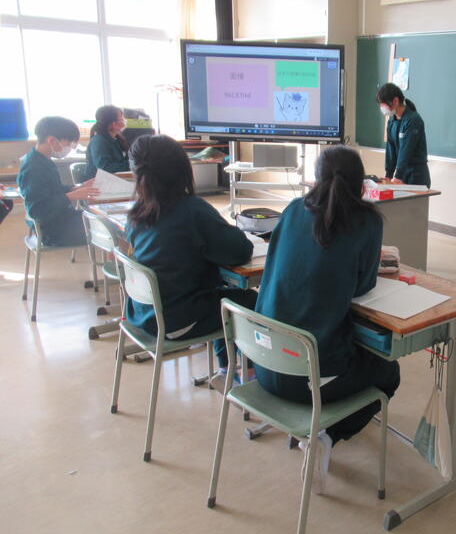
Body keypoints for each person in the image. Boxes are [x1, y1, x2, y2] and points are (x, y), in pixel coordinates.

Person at [253, 145, 400, 492]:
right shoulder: (367, 221)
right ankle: (328, 433)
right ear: (361, 185)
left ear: (315, 179)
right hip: (310, 380)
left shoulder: (292, 210)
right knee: (388, 372)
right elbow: (363, 285)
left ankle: (322, 425)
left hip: (264, 364)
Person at [124, 135, 256, 385]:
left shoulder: (136, 213)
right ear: (183, 170)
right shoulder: (192, 210)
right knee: (249, 301)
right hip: (177, 321)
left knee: (222, 295)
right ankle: (247, 376)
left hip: (143, 315)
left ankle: (226, 369)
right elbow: (240, 251)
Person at [17, 116, 99, 246]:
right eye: (68, 143)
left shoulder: (41, 159)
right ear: (51, 140)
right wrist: (70, 196)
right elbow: (37, 210)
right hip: (52, 230)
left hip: (59, 219)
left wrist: (78, 187)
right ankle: (115, 258)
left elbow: (52, 190)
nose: (70, 148)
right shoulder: (34, 168)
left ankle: (113, 257)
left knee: (101, 220)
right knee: (108, 228)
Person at [376, 83, 431, 187]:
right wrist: (389, 175)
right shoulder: (392, 121)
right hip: (402, 174)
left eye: (383, 104)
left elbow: (406, 150)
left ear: (395, 101)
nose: (382, 107)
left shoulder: (413, 120)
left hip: (416, 176)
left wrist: (398, 176)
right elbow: (391, 149)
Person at [84, 105, 129, 180]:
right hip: (98, 182)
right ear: (112, 123)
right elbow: (105, 168)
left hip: (114, 179)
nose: (123, 122)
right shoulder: (99, 141)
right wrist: (132, 165)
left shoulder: (117, 139)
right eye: (121, 119)